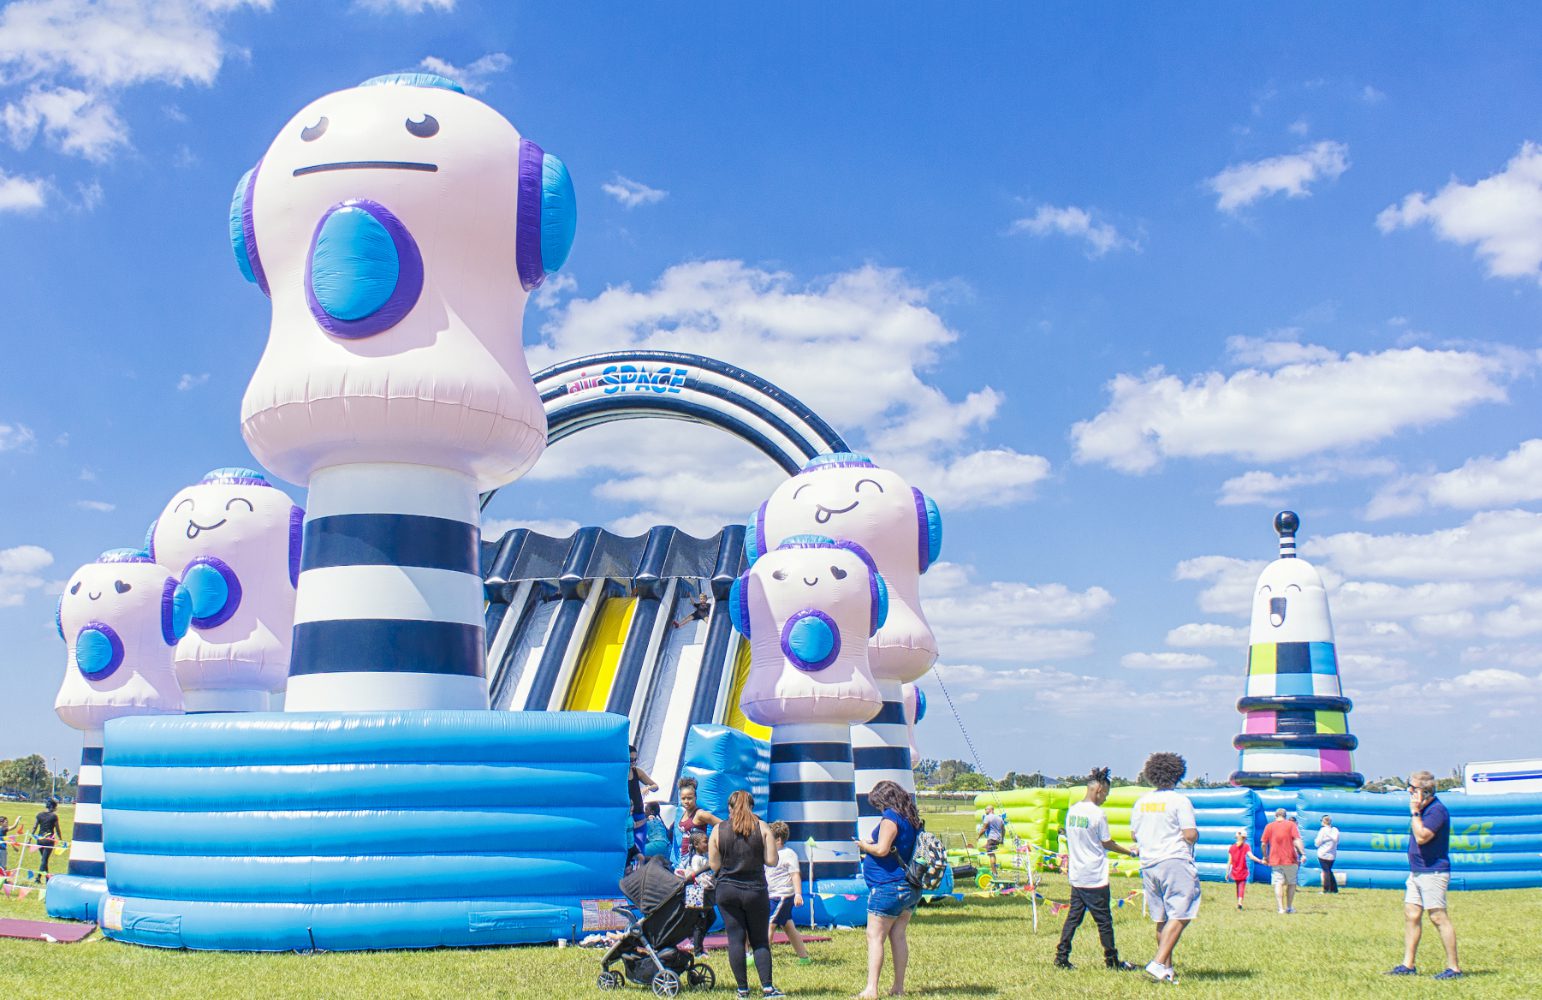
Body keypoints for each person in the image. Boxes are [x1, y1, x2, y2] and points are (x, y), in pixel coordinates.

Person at [1053, 767, 1138, 972]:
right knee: (1104, 921)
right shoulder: (1098, 814)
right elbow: (1106, 842)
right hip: (1094, 876)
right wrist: (1130, 852)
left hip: (1077, 874)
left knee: (1073, 918)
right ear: (1098, 789)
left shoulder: (1072, 811)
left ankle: (1061, 956)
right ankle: (1112, 961)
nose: (1105, 799)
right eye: (1105, 794)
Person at [1129, 752, 1198, 985]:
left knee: (1162, 917)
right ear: (1178, 774)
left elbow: (1133, 834)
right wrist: (1194, 835)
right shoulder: (1180, 801)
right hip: (1174, 860)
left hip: (1149, 864)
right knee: (1182, 912)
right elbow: (1189, 834)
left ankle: (1167, 970)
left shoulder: (1141, 802)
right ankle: (1158, 962)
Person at [708, 789, 783, 999]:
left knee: (735, 940)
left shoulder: (718, 830)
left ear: (729, 808)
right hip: (755, 890)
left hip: (727, 891)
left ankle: (742, 990)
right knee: (759, 940)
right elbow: (772, 861)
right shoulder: (762, 827)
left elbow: (714, 864)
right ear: (752, 807)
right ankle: (768, 989)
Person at [1388, 770, 1461, 980]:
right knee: (1411, 914)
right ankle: (1408, 964)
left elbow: (1422, 837)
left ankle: (1454, 967)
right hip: (1417, 871)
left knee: (1438, 916)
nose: (1408, 791)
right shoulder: (1424, 809)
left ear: (1424, 791)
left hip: (1433, 871)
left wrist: (1415, 812)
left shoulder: (1436, 811)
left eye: (1411, 787)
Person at [854, 779, 922, 1000]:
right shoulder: (910, 817)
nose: (879, 808)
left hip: (888, 887)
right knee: (898, 935)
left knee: (874, 936)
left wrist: (864, 846)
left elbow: (882, 849)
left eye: (878, 804)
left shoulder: (890, 817)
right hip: (909, 886)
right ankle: (898, 987)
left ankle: (871, 988)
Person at [765, 820, 810, 965]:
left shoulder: (788, 854)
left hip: (782, 895)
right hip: (772, 894)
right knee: (788, 926)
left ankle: (761, 956)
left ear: (778, 840)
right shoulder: (768, 854)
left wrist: (798, 893)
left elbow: (795, 874)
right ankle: (804, 958)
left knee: (769, 924)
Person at [1260, 807, 1305, 914]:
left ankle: (1280, 908)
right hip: (1290, 859)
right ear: (1285, 816)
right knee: (1292, 883)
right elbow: (1297, 840)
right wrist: (1302, 854)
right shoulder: (1291, 825)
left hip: (1275, 859)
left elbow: (1263, 844)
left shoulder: (1269, 826)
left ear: (1276, 816)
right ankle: (1289, 907)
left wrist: (1265, 857)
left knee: (1278, 883)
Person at [677, 830, 715, 958]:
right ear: (696, 845)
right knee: (701, 922)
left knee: (711, 918)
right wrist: (708, 881)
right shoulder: (696, 859)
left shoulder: (704, 857)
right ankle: (698, 951)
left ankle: (698, 943)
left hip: (706, 893)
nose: (708, 844)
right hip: (699, 893)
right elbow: (697, 875)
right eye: (705, 842)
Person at [628, 746, 659, 854]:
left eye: (635, 760)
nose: (633, 762)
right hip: (627, 816)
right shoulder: (620, 774)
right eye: (630, 760)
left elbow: (655, 786)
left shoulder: (637, 772)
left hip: (639, 814)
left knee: (640, 849)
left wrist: (648, 787)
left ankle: (639, 869)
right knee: (628, 848)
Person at [678, 776, 721, 851]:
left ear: (695, 797)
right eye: (683, 798)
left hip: (698, 858)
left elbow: (723, 825)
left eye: (689, 798)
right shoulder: (684, 813)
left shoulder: (700, 814)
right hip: (685, 857)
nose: (686, 801)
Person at [1228, 829, 1266, 910]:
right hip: (1243, 870)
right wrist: (1260, 861)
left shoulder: (1231, 847)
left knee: (1238, 886)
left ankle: (1238, 901)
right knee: (1242, 886)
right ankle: (1240, 902)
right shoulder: (1246, 846)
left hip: (1235, 871)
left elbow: (1229, 861)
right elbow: (1251, 857)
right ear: (1244, 838)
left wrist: (1227, 872)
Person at [31, 798, 61, 882]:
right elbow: (57, 829)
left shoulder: (39, 815)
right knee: (44, 860)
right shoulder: (54, 816)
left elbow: (34, 827)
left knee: (44, 860)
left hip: (40, 839)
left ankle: (47, 878)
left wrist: (30, 838)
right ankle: (38, 878)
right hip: (49, 840)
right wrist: (61, 839)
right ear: (53, 807)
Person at [977, 805, 1007, 876]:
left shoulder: (988, 817)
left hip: (992, 838)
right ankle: (994, 870)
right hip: (997, 839)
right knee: (991, 851)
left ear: (991, 810)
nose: (985, 811)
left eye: (986, 809)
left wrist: (978, 837)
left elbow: (984, 829)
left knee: (991, 854)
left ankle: (994, 873)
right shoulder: (999, 818)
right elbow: (1003, 830)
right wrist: (1002, 839)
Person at [1315, 815, 1341, 894]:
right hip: (1332, 855)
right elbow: (1337, 841)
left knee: (1326, 871)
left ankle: (1326, 889)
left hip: (1323, 854)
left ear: (1323, 821)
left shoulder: (1323, 830)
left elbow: (1317, 843)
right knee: (1329, 871)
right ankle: (1334, 889)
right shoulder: (1335, 830)